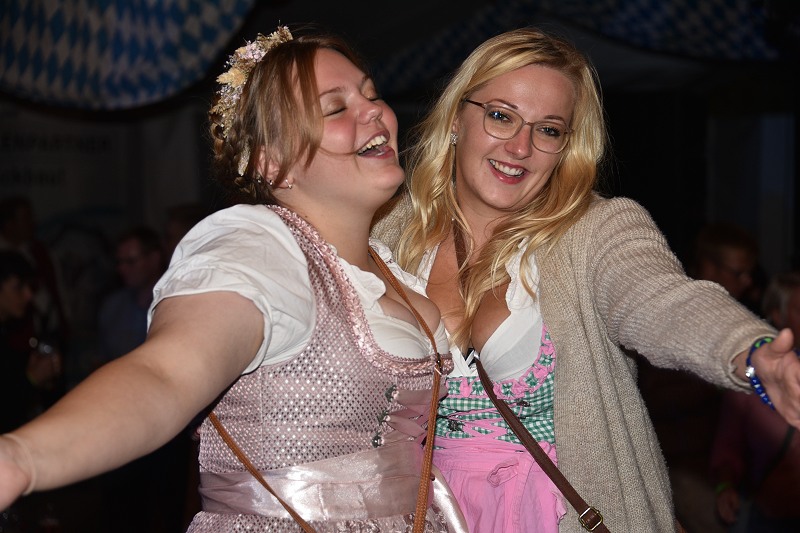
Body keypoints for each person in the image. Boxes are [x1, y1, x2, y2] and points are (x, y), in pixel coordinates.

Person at [0, 26, 465, 532]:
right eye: (335, 108)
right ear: (274, 162)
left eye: (371, 95)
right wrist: (22, 458)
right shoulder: (258, 248)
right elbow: (165, 375)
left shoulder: (390, 270)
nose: (374, 111)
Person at [371, 27, 800, 532]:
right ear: (455, 120)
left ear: (567, 147)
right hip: (420, 515)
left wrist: (749, 352)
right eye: (501, 116)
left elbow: (659, 299)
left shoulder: (596, 232)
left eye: (548, 130)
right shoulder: (385, 232)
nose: (521, 147)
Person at [711, 271, 800, 532]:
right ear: (777, 314)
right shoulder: (752, 378)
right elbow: (728, 447)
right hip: (770, 519)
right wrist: (725, 487)